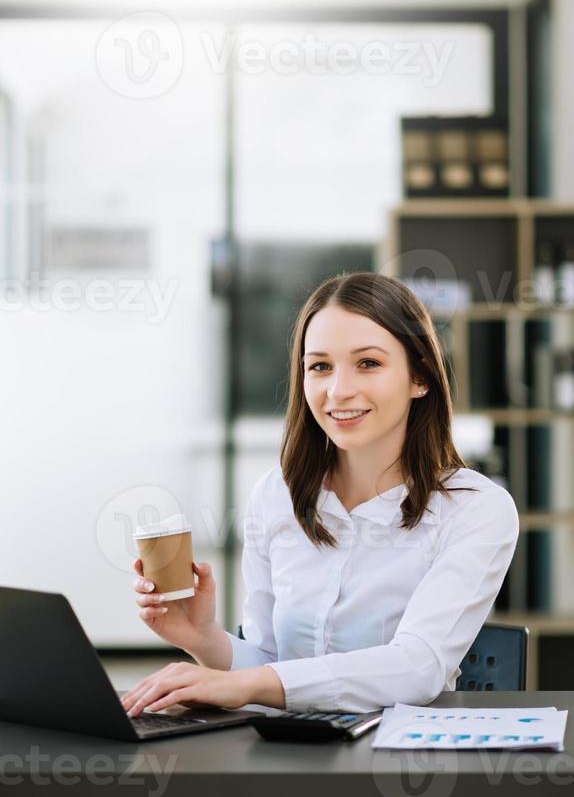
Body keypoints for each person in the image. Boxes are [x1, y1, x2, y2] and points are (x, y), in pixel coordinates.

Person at [121, 272, 519, 717]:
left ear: (420, 377)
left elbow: (417, 666)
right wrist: (203, 638)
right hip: (287, 758)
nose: (338, 390)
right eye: (320, 366)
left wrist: (245, 683)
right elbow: (273, 669)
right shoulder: (277, 494)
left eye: (368, 363)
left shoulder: (476, 508)